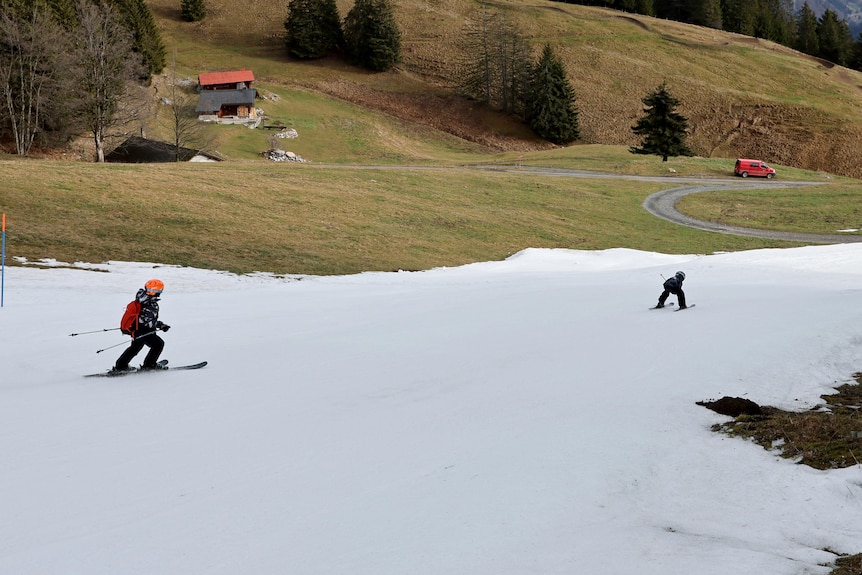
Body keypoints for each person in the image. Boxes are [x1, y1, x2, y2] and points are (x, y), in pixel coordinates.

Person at [113, 279, 171, 372]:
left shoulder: (141, 299)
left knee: (135, 347)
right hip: (143, 330)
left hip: (136, 329)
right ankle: (149, 365)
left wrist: (159, 325)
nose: (154, 292)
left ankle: (121, 366)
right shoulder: (148, 303)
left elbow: (145, 319)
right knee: (158, 344)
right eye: (154, 290)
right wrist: (161, 325)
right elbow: (147, 322)